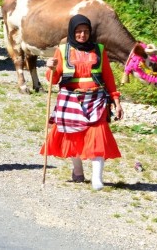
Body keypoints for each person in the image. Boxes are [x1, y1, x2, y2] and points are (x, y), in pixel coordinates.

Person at [41, 14, 124, 190]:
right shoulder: (62, 51)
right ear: (72, 32)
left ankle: (97, 178)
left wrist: (116, 100)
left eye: (86, 31)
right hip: (70, 97)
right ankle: (78, 170)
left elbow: (108, 77)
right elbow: (53, 80)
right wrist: (50, 68)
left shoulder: (99, 50)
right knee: (72, 134)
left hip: (96, 98)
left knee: (98, 135)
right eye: (78, 32)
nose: (82, 35)